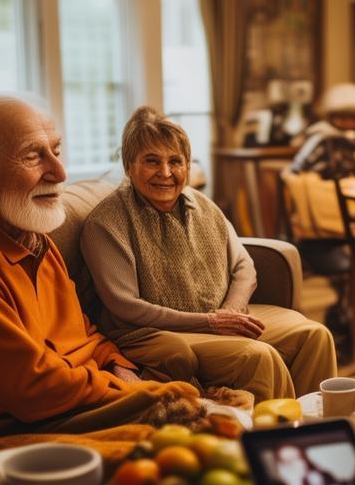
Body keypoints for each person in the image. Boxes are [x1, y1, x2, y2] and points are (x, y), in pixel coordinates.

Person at [0, 96, 202, 437]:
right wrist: (137, 392)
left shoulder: (34, 239)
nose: (60, 173)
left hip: (74, 404)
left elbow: (82, 333)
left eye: (55, 151)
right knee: (195, 424)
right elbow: (34, 390)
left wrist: (119, 365)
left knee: (218, 411)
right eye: (32, 155)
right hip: (12, 430)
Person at [82, 107, 337, 399]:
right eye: (152, 161)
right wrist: (210, 323)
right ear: (129, 166)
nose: (165, 173)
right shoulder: (106, 222)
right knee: (257, 356)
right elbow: (127, 306)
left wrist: (231, 311)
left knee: (316, 335)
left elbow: (244, 266)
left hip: (217, 318)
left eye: (175, 162)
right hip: (153, 333)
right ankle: (270, 439)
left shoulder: (201, 204)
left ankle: (318, 433)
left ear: (187, 167)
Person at [290, 84, 355, 178]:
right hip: (321, 186)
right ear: (332, 117)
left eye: (354, 117)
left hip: (348, 185)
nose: (349, 122)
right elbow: (298, 167)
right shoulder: (321, 137)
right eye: (343, 116)